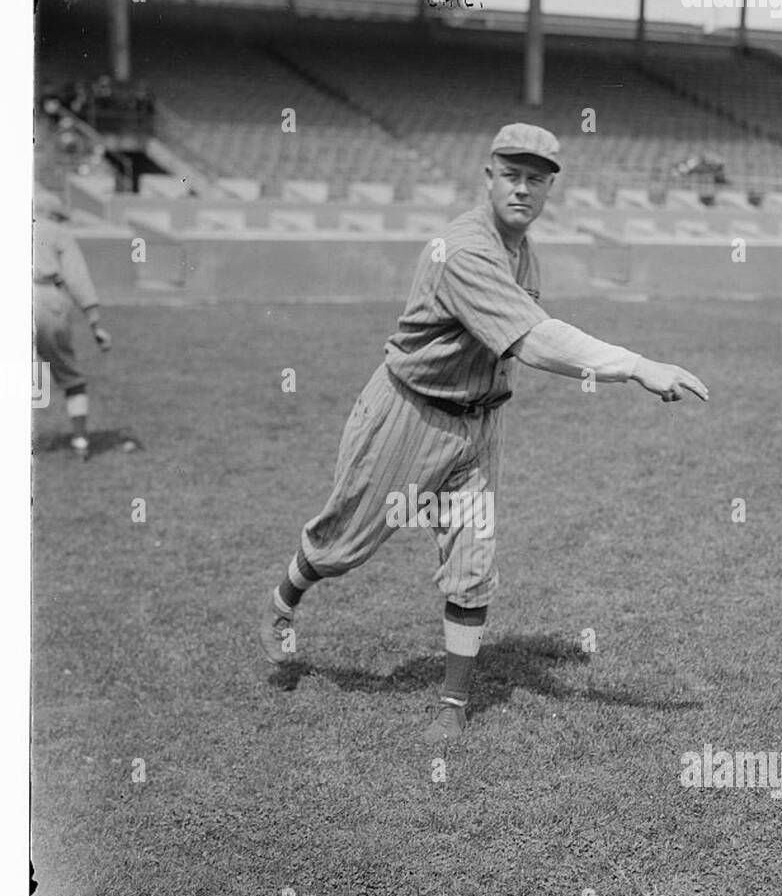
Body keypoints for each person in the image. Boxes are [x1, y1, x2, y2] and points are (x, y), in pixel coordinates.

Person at [260, 124, 708, 742]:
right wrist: (634, 364)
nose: (524, 189)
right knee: (342, 544)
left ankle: (452, 704)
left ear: (550, 187)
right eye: (513, 175)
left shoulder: (523, 250)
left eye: (537, 178)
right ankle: (285, 600)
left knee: (474, 560)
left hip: (478, 420)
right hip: (410, 411)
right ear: (489, 176)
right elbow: (534, 340)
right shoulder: (464, 250)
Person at [33, 189, 111, 459]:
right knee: (71, 377)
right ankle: (80, 442)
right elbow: (77, 279)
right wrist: (95, 323)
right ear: (53, 214)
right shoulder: (59, 233)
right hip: (48, 302)